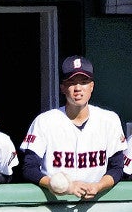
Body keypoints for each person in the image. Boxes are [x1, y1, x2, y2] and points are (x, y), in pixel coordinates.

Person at [21, 55, 126, 199]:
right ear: (62, 88)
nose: (78, 88)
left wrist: (99, 186)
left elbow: (117, 167)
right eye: (71, 82)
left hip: (97, 204)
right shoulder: (44, 121)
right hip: (54, 204)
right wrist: (58, 185)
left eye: (84, 82)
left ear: (92, 86)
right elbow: (29, 168)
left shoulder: (109, 120)